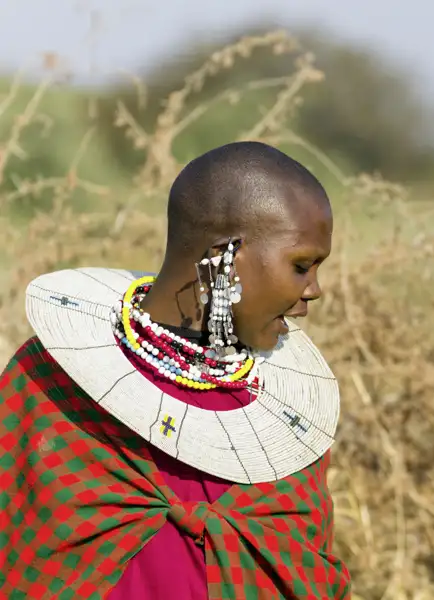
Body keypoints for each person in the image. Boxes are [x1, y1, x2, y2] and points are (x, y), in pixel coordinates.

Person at [0, 141, 351, 599]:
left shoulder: (287, 422)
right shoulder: (51, 385)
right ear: (226, 256)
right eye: (301, 265)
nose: (316, 289)